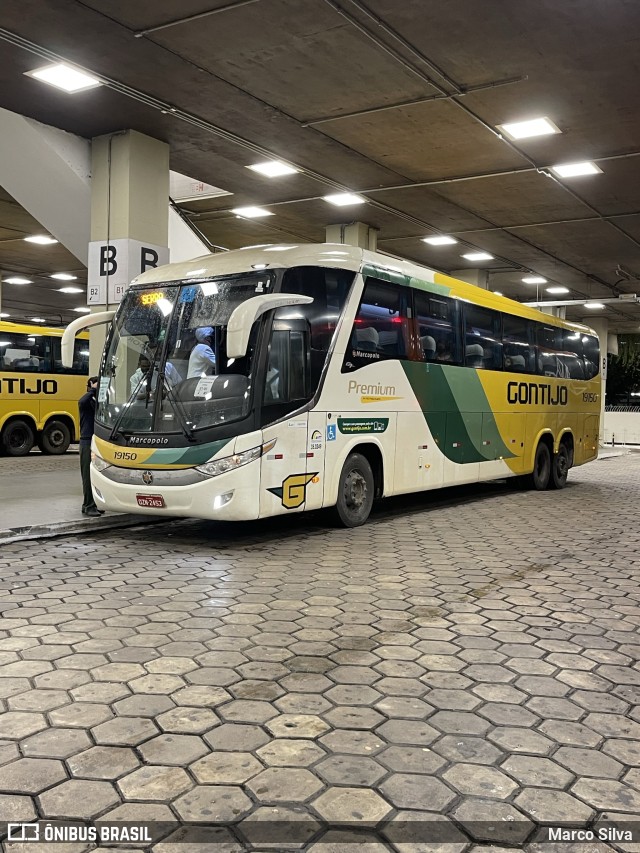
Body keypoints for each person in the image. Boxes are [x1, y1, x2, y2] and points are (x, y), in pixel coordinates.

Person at [78, 376, 102, 517]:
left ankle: (92, 503)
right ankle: (88, 505)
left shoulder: (97, 401)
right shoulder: (87, 400)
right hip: (87, 441)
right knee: (87, 475)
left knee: (95, 475)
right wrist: (92, 390)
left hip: (96, 440)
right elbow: (81, 401)